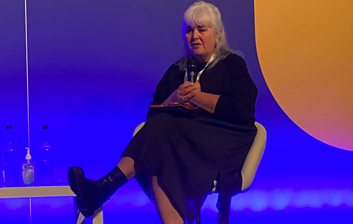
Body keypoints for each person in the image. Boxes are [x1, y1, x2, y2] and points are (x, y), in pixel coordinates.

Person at [68, 1, 257, 223]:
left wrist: (198, 96)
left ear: (217, 34)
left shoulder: (232, 63)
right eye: (189, 30)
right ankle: (103, 190)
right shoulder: (178, 70)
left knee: (161, 137)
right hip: (182, 145)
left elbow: (242, 111)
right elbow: (153, 114)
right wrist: (176, 97)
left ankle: (103, 188)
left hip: (222, 142)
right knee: (159, 152)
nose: (195, 36)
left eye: (202, 29)